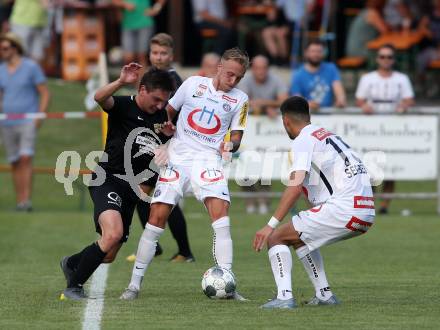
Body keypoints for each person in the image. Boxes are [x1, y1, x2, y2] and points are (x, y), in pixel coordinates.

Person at [120, 47, 250, 301]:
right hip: (177, 158)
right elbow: (166, 111)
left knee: (221, 217)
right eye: (230, 74)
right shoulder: (192, 85)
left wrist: (230, 145)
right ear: (219, 68)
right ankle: (134, 285)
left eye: (238, 77)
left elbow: (237, 135)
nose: (232, 81)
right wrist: (163, 133)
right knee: (156, 218)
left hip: (208, 161)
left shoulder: (240, 99)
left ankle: (228, 282)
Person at [59, 65, 175, 300]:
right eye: (156, 99)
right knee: (112, 234)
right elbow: (99, 97)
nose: (160, 105)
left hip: (133, 190)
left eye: (164, 101)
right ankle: (74, 287)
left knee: (109, 253)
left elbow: (165, 149)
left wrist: (170, 139)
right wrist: (121, 81)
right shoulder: (123, 106)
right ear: (142, 90)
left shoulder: (163, 117)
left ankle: (71, 263)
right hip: (108, 179)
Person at [253, 96, 375, 309]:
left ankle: (284, 298)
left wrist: (269, 225)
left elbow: (295, 186)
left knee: (276, 237)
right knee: (299, 237)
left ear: (285, 121)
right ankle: (325, 295)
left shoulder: (303, 140)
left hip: (344, 209)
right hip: (365, 211)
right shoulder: (327, 135)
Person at [130, 32, 196, 263]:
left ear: (171, 55)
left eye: (163, 53)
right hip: (152, 145)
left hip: (168, 147)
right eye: (155, 52)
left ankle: (185, 251)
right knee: (142, 194)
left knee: (165, 198)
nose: (158, 57)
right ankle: (156, 246)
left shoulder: (173, 81)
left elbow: (172, 115)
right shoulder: (149, 76)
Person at [355, 44, 414, 214]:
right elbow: (359, 99)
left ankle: (385, 206)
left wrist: (403, 105)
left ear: (393, 60)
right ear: (377, 59)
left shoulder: (401, 78)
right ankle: (370, 203)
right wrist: (364, 105)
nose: (385, 60)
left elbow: (409, 99)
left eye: (389, 57)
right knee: (370, 167)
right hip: (371, 128)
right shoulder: (368, 78)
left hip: (393, 129)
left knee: (391, 167)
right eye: (382, 56)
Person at [0, 32, 50, 211]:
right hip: (6, 122)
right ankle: (19, 200)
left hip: (28, 120)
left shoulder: (31, 67)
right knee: (14, 161)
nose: (2, 51)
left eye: (5, 47)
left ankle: (26, 201)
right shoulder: (1, 69)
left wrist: (39, 115)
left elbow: (44, 92)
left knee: (25, 158)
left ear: (15, 48)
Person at [238, 54, 288, 214]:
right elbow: (243, 102)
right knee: (245, 166)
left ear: (268, 68)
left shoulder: (276, 79)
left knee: (266, 165)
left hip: (267, 133)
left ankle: (264, 202)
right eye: (257, 68)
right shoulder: (245, 80)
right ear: (252, 69)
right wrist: (267, 107)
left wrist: (263, 105)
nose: (261, 71)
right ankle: (250, 202)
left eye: (264, 68)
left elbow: (284, 100)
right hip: (248, 131)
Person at [290, 40, 346, 112]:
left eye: (319, 51)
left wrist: (341, 100)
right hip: (306, 114)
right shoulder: (297, 74)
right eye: (313, 51)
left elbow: (338, 88)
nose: (316, 54)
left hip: (328, 112)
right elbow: (296, 99)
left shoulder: (331, 68)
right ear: (306, 53)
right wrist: (308, 104)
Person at [112, 0, 167, 66]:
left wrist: (155, 9)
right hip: (127, 24)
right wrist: (124, 4)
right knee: (128, 57)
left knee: (142, 56)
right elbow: (114, 1)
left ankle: (141, 76)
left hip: (144, 24)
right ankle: (130, 75)